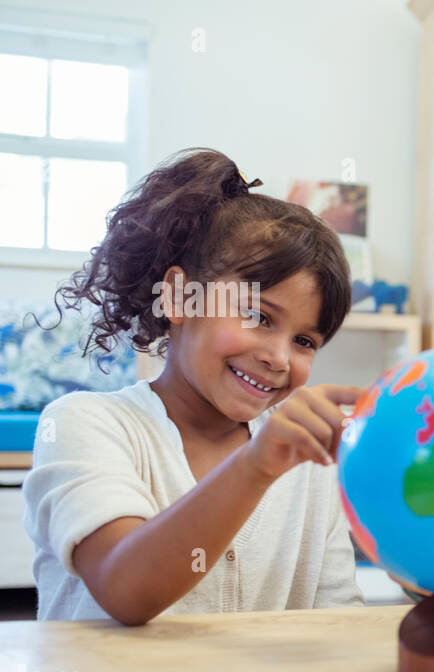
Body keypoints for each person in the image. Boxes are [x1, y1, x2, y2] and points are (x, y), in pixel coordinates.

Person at [23, 148, 365, 623]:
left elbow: (336, 622)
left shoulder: (306, 466)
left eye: (305, 340)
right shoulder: (83, 424)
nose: (278, 357)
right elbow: (125, 589)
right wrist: (257, 464)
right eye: (256, 315)